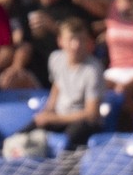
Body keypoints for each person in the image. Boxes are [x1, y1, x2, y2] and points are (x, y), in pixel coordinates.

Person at [27, 17, 102, 151]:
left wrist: (54, 118)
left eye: (81, 39)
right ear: (60, 41)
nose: (76, 45)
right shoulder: (56, 59)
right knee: (23, 134)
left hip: (83, 122)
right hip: (59, 117)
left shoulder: (93, 69)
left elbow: (91, 113)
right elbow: (57, 85)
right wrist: (48, 110)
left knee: (69, 138)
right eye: (71, 39)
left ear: (88, 42)